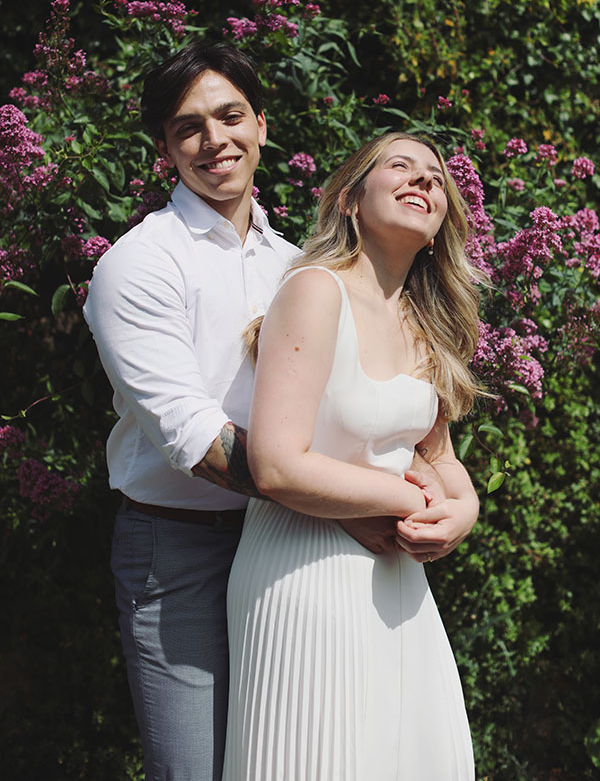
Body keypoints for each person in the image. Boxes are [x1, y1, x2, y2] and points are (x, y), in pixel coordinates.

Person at [222, 132, 483, 781]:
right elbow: (276, 465)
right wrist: (405, 498)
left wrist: (464, 511)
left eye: (435, 177)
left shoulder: (428, 322)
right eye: (401, 167)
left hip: (399, 583)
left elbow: (438, 455)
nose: (423, 180)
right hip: (304, 575)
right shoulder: (315, 290)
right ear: (349, 200)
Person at [83, 42, 301, 781]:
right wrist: (345, 505)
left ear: (262, 126)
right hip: (178, 556)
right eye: (189, 127)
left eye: (231, 115)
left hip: (285, 539)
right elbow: (194, 436)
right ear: (165, 149)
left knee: (287, 758)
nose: (215, 140)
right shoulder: (138, 265)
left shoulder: (299, 266)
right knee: (196, 771)